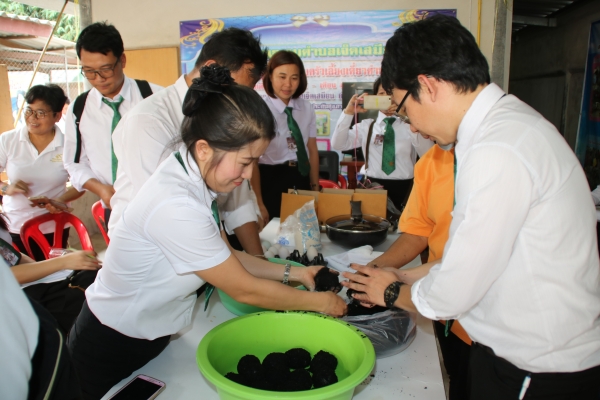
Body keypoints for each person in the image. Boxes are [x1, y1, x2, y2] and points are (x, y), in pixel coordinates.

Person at [343, 15, 600, 399]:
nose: (411, 127)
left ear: (428, 86)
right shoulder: (507, 128)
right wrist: (404, 275)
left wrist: (392, 291)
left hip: (535, 368)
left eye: (403, 108)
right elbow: (479, 258)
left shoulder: (497, 149)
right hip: (520, 354)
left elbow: (453, 292)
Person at [67, 67, 347, 399]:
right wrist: (319, 302)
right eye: (245, 162)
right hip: (110, 344)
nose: (248, 175)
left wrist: (297, 273)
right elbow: (243, 289)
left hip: (151, 332)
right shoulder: (176, 204)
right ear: (203, 148)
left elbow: (225, 255)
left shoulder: (192, 176)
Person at [109, 27, 267, 255]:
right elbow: (169, 209)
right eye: (234, 90)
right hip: (149, 251)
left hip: (201, 241)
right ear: (211, 68)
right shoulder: (149, 120)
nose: (236, 102)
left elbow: (237, 201)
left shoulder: (226, 119)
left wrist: (258, 258)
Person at [63, 22, 162, 226]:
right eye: (89, 71)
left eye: (106, 69)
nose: (99, 79)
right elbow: (74, 163)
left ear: (122, 60)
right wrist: (100, 189)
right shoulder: (79, 109)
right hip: (113, 208)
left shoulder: (156, 98)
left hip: (159, 206)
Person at [0, 84, 84, 261]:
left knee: (54, 271)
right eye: (29, 110)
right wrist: (6, 188)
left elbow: (81, 183)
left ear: (57, 116)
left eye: (41, 113)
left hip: (54, 225)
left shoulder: (69, 145)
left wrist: (59, 200)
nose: (32, 118)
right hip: (15, 223)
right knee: (24, 273)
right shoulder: (8, 140)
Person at [331, 77, 433, 208]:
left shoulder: (411, 125)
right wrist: (348, 113)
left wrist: (408, 118)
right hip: (373, 186)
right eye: (381, 93)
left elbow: (428, 153)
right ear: (374, 98)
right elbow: (338, 144)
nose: (387, 98)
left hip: (405, 187)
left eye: (391, 93)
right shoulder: (366, 126)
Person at [0, 213, 99, 334]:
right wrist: (63, 262)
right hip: (13, 303)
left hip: (27, 288)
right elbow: (5, 275)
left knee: (91, 276)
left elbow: (15, 256)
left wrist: (45, 271)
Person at [251, 50, 320, 221]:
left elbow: (312, 150)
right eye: (282, 77)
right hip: (270, 179)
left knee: (304, 230)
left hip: (301, 176)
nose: (288, 84)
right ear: (270, 77)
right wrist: (258, 201)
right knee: (274, 232)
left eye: (294, 78)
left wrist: (315, 187)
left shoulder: (307, 108)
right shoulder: (260, 110)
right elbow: (253, 161)